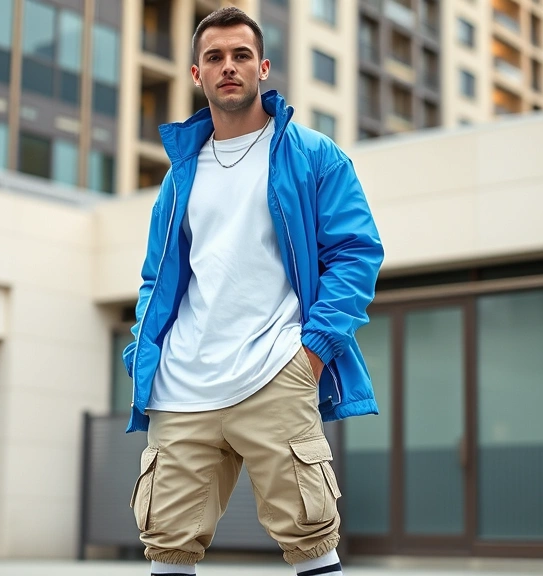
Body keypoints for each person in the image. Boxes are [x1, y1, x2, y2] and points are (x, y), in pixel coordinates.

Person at [123, 7, 383, 576]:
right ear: (197, 74)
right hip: (182, 386)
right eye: (214, 57)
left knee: (313, 541)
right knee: (166, 546)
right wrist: (145, 350)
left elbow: (356, 253)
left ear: (262, 67)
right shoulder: (180, 174)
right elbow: (155, 278)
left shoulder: (311, 154)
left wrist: (313, 352)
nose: (229, 66)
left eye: (241, 55)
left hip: (275, 370)